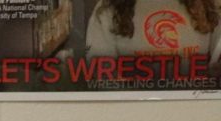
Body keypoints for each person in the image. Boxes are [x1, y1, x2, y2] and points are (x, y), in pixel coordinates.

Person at [86, 0, 221, 73]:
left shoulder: (210, 4)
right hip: (133, 115)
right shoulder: (108, 8)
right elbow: (100, 76)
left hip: (197, 111)